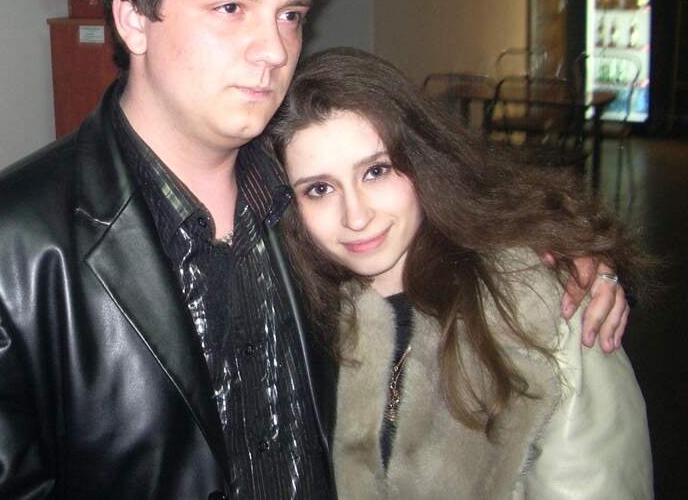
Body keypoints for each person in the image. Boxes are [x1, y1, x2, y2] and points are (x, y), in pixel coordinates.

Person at [0, 0, 627, 500]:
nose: (274, 50)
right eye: (231, 8)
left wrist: (551, 266)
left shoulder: (311, 196)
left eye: (291, 16)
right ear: (133, 19)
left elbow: (453, 234)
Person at [267, 47, 652, 499]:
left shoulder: (541, 305)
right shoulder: (297, 319)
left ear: (421, 161)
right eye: (319, 189)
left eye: (376, 171)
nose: (356, 216)